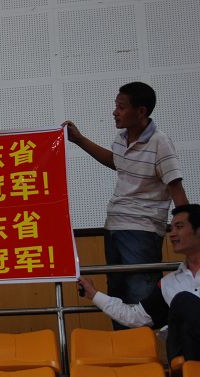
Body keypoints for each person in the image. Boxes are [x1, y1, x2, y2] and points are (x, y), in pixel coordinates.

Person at [63, 82, 189, 329]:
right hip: (114, 226)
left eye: (121, 107)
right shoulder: (121, 139)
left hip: (142, 228)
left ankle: (145, 349)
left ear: (141, 111)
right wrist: (79, 140)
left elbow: (176, 187)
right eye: (116, 106)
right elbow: (116, 162)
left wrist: (186, 228)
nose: (115, 112)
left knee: (140, 295)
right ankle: (124, 347)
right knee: (118, 293)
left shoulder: (160, 142)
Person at [78, 204, 200, 362]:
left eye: (179, 227)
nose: (172, 234)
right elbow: (135, 317)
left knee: (183, 302)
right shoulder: (169, 283)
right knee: (182, 301)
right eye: (171, 228)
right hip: (189, 360)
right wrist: (94, 295)